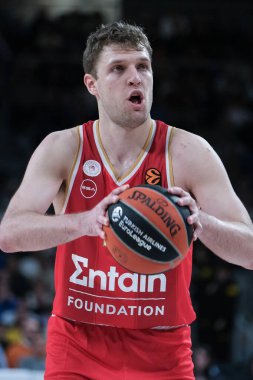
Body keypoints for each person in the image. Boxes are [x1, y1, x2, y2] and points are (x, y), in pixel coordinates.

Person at [0, 21, 252, 380]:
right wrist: (86, 221)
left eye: (143, 67)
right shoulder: (64, 147)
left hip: (161, 349)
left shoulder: (188, 152)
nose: (135, 77)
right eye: (118, 68)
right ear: (93, 85)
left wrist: (202, 223)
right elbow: (9, 233)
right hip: (77, 343)